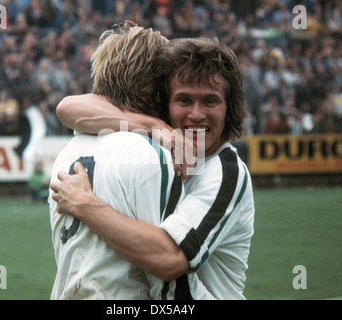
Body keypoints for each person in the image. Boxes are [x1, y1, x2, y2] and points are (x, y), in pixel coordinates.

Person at [51, 37, 255, 299]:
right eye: (184, 100)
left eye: (210, 101)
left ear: (230, 108)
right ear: (164, 104)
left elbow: (169, 259)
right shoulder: (157, 144)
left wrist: (84, 204)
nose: (196, 114)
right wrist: (154, 125)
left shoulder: (225, 171)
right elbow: (69, 108)